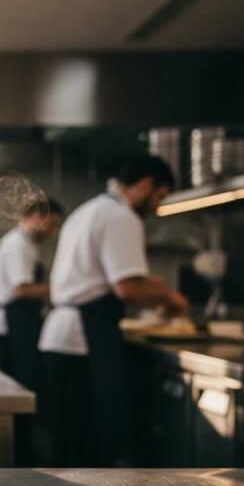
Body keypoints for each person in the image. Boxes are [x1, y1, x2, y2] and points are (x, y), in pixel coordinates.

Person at [39, 155, 188, 466]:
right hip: (84, 338)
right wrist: (170, 298)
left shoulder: (88, 210)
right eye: (159, 197)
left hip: (64, 335)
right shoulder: (121, 216)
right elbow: (127, 287)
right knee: (89, 442)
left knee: (68, 438)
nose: (157, 207)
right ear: (146, 184)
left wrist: (148, 284)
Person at [0, 195, 63, 464]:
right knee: (21, 391)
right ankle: (20, 455)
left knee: (26, 390)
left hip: (22, 324)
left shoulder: (26, 244)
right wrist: (65, 290)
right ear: (37, 216)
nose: (51, 231)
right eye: (51, 224)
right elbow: (22, 288)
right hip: (13, 326)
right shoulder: (17, 244)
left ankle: (24, 451)